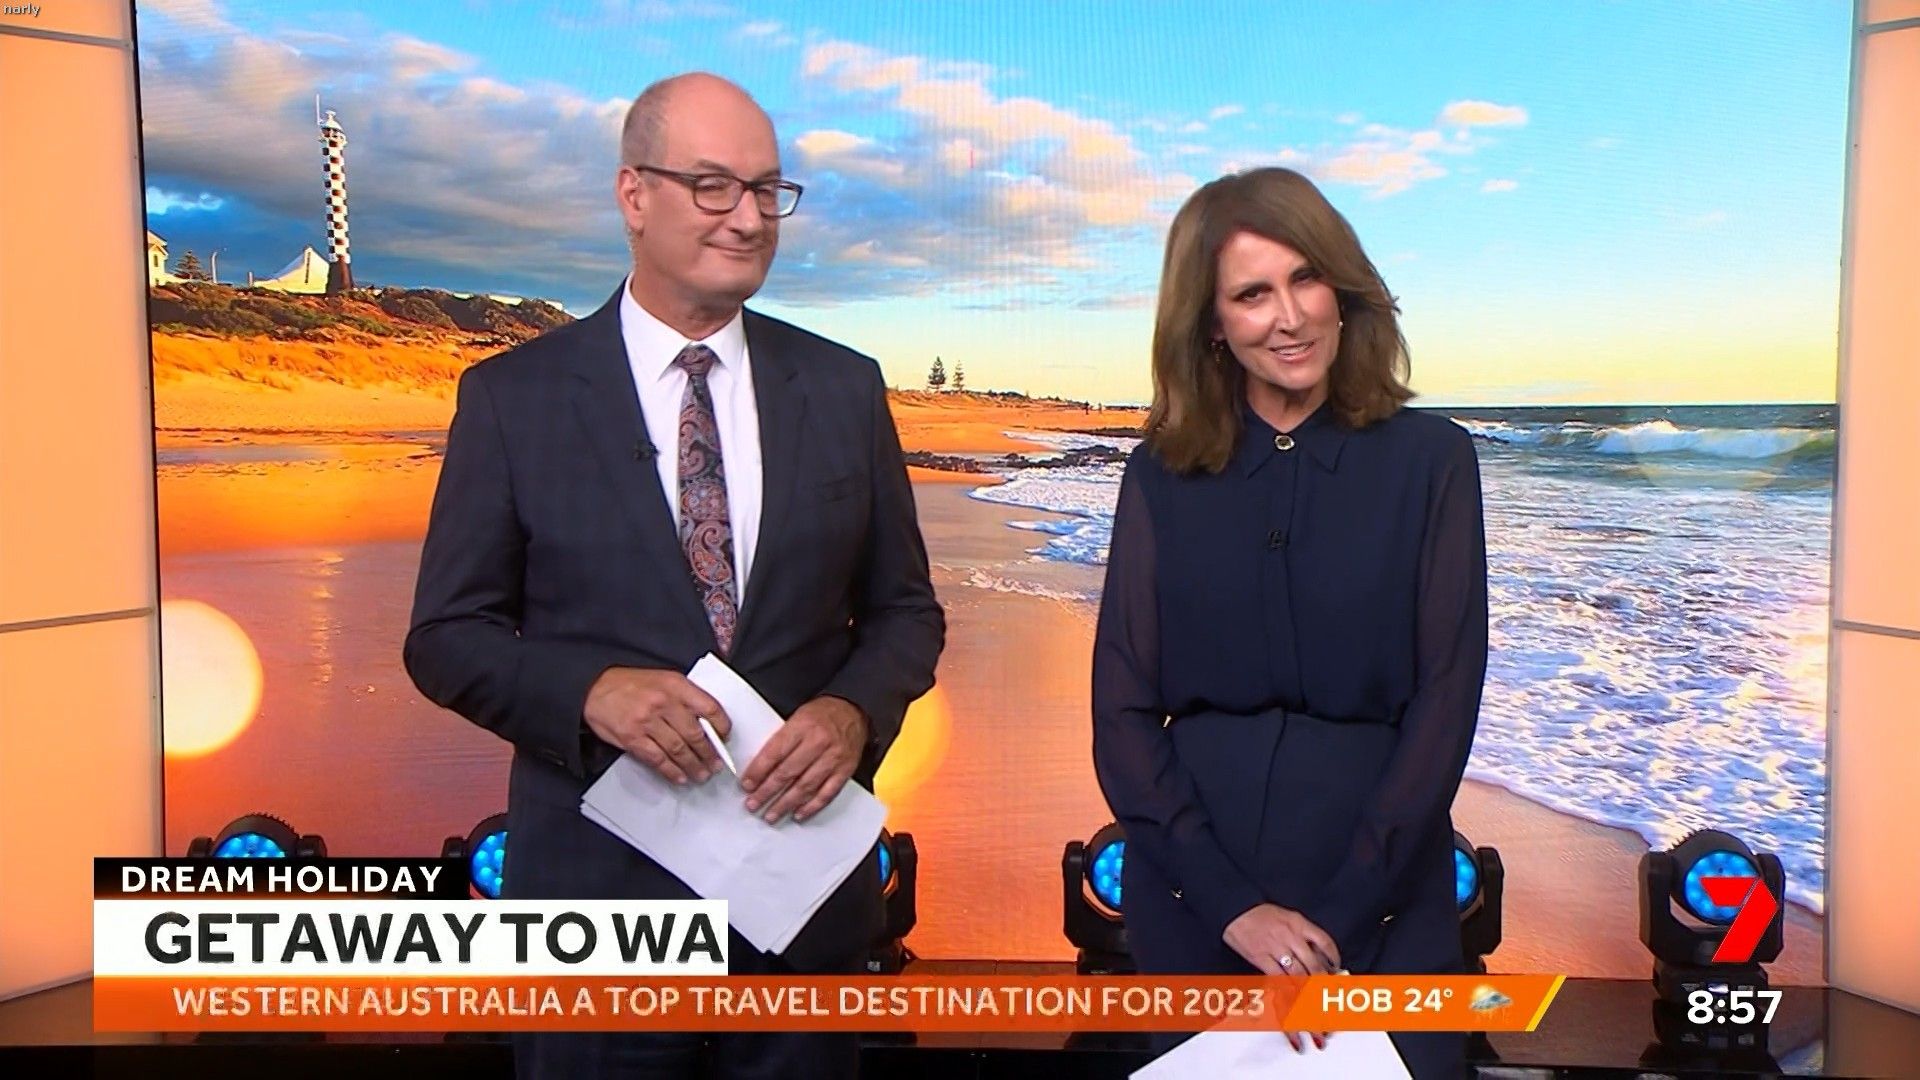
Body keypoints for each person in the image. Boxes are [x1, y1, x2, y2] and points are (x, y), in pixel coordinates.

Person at [404, 72, 945, 1079]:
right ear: (633, 194)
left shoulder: (844, 387)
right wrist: (588, 693)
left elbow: (906, 614)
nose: (748, 218)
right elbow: (444, 638)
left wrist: (851, 715)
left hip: (802, 919)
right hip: (596, 918)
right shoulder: (514, 399)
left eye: (767, 190)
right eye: (712, 186)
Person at [1090, 166, 1487, 1079]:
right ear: (1211, 323)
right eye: (1252, 294)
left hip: (1385, 896)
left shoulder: (1433, 460)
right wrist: (1232, 907)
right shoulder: (1158, 475)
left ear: (1345, 291)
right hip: (1196, 893)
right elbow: (1120, 710)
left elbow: (1446, 697)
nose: (1290, 316)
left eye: (1306, 279)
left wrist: (1340, 917)